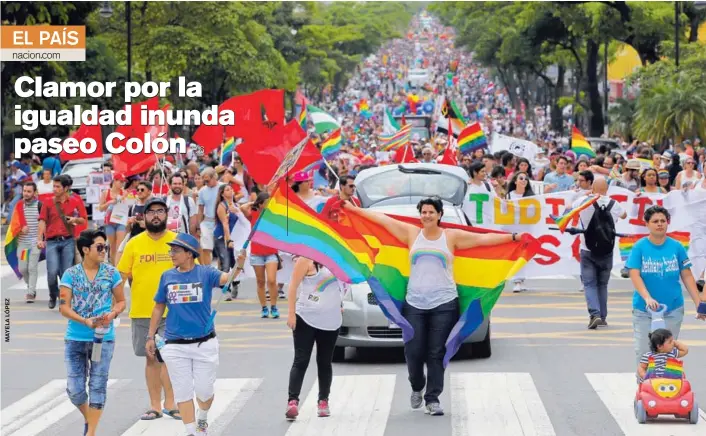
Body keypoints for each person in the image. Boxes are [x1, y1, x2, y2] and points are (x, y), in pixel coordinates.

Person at [342, 197, 526, 416]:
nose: (427, 215)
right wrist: (352, 210)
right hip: (415, 303)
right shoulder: (412, 233)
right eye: (423, 212)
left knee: (436, 352)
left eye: (431, 212)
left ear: (439, 215)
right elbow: (381, 220)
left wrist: (514, 237)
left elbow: (482, 239)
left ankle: (433, 399)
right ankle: (417, 385)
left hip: (444, 303)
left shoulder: (451, 237)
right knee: (413, 351)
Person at [147, 233, 246, 436]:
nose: (171, 254)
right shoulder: (167, 276)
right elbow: (158, 306)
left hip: (204, 344)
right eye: (171, 250)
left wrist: (240, 263)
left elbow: (228, 279)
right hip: (174, 344)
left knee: (204, 391)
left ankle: (202, 417)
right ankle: (192, 431)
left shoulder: (206, 273)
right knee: (182, 391)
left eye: (175, 250)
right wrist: (150, 336)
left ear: (189, 254)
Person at [58, 229, 126, 436]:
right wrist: (84, 320)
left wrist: (113, 313)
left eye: (105, 246)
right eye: (99, 247)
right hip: (76, 337)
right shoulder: (71, 274)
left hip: (102, 339)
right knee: (75, 390)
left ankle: (91, 432)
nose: (104, 250)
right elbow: (64, 307)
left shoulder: (111, 272)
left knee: (98, 386)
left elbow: (122, 301)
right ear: (86, 249)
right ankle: (90, 419)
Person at [117, 197, 179, 421]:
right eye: (150, 211)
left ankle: (171, 403)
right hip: (143, 311)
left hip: (174, 313)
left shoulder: (177, 241)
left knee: (170, 358)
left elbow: (194, 272)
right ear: (143, 216)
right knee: (151, 358)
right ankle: (155, 406)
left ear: (166, 214)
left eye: (160, 211)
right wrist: (115, 303)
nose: (155, 215)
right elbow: (121, 275)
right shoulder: (134, 243)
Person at [627, 206, 706, 365]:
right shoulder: (639, 247)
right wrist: (647, 297)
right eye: (655, 221)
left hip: (672, 309)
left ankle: (664, 387)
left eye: (663, 221)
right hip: (644, 310)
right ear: (647, 224)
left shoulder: (676, 247)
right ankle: (644, 386)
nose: (660, 224)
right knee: (644, 352)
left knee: (667, 352)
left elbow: (687, 275)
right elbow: (634, 274)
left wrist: (699, 304)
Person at [284, 258, 347, 421]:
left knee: (325, 362)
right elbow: (293, 286)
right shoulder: (305, 260)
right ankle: (293, 401)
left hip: (330, 319)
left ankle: (323, 401)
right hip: (305, 318)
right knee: (301, 359)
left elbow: (343, 285)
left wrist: (340, 303)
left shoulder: (338, 260)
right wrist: (291, 313)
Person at [574, 178, 626, 329]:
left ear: (592, 187)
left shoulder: (584, 202)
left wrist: (588, 195)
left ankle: (594, 314)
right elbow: (624, 215)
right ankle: (602, 316)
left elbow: (571, 207)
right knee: (603, 284)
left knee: (589, 284)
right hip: (607, 250)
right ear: (607, 189)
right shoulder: (614, 204)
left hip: (587, 249)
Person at [37, 175, 88, 309]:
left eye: (58, 186)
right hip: (52, 241)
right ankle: (53, 294)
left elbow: (83, 219)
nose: (55, 189)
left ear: (66, 188)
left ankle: (65, 299)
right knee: (52, 272)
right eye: (54, 186)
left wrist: (74, 220)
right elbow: (42, 220)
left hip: (68, 241)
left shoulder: (75, 201)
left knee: (66, 272)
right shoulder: (48, 202)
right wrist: (39, 238)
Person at [15, 181, 41, 302]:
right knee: (23, 269)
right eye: (24, 191)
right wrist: (21, 228)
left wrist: (42, 239)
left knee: (32, 267)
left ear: (34, 193)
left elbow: (45, 223)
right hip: (23, 244)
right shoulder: (19, 205)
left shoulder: (40, 205)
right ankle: (30, 287)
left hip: (35, 243)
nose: (26, 193)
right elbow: (13, 223)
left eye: (29, 191)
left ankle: (31, 292)